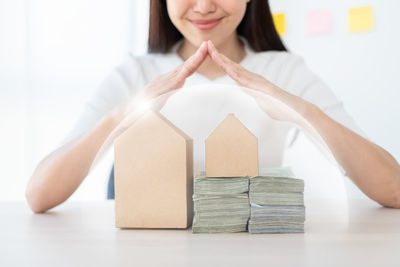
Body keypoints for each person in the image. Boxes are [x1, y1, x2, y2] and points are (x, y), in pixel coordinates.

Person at [25, 0, 400, 213]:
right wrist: (127, 114)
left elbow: (393, 189)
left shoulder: (283, 70)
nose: (204, 6)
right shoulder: (134, 74)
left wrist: (299, 111)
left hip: (249, 248)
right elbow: (39, 195)